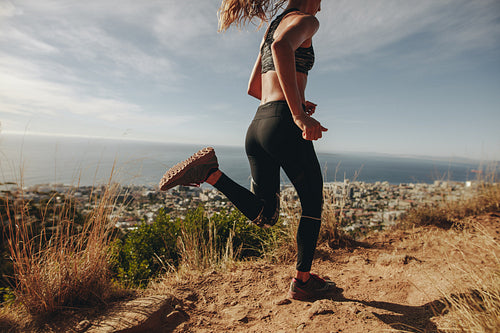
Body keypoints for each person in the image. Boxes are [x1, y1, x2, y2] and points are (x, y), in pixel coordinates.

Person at [159, 0, 338, 301]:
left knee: (266, 215)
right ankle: (303, 282)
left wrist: (295, 101)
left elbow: (254, 89)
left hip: (258, 125)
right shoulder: (306, 21)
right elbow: (283, 48)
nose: (321, 7)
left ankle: (211, 174)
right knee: (312, 203)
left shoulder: (271, 28)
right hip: (282, 124)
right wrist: (298, 113)